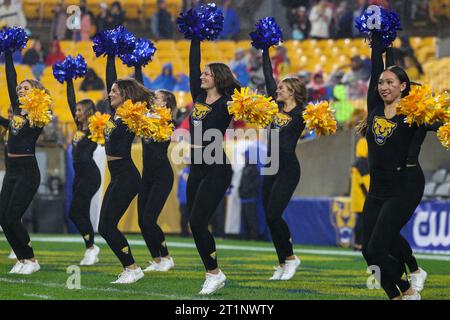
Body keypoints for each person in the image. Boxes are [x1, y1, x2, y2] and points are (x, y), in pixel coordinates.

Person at [360, 32, 424, 300]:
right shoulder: (374, 107)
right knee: (367, 250)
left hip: (405, 185)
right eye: (381, 82)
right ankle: (399, 294)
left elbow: (438, 123)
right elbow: (376, 68)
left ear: (403, 86)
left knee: (377, 248)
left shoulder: (413, 113)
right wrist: (378, 40)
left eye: (390, 82)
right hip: (377, 187)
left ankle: (409, 286)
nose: (383, 86)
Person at [187, 37, 240, 295]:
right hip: (195, 165)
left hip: (217, 166)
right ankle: (212, 272)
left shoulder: (227, 104)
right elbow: (192, 65)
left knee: (198, 222)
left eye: (207, 73)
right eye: (203, 72)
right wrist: (195, 38)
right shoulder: (198, 96)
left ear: (218, 78)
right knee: (193, 223)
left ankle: (214, 273)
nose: (202, 76)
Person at [97, 54, 149, 284]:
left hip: (127, 175)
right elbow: (112, 80)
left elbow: (138, 92)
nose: (110, 94)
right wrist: (110, 55)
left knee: (107, 226)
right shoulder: (114, 114)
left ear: (125, 95)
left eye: (115, 92)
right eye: (111, 91)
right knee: (103, 226)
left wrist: (136, 68)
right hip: (117, 174)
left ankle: (133, 269)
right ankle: (131, 268)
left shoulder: (130, 116)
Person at [0, 48, 50, 275]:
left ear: (36, 92)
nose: (19, 90)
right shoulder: (18, 111)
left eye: (25, 88)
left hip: (27, 171)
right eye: (19, 89)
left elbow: (16, 86)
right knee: (3, 217)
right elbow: (11, 80)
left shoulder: (39, 112)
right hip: (11, 171)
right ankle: (21, 258)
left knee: (12, 216)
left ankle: (31, 259)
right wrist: (8, 54)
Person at [262, 43, 305, 281]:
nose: (277, 90)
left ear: (292, 92)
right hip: (270, 165)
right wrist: (264, 49)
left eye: (281, 88)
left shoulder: (301, 114)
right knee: (268, 216)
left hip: (288, 168)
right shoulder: (274, 106)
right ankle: (281, 261)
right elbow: (269, 75)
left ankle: (290, 258)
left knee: (274, 214)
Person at [136, 86, 176, 273]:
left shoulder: (168, 121)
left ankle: (167, 257)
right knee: (142, 221)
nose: (152, 99)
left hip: (162, 176)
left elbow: (158, 125)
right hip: (148, 175)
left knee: (149, 219)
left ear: (166, 103)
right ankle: (157, 259)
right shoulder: (147, 117)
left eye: (157, 98)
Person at [64, 73, 102, 266]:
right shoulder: (79, 126)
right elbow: (70, 101)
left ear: (87, 111)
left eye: (79, 110)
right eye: (76, 110)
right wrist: (69, 80)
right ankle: (90, 247)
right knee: (78, 212)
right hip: (79, 176)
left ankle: (91, 248)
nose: (76, 113)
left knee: (75, 211)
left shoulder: (95, 128)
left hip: (90, 175)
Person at [350, 137, 369, 251]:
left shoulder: (356, 162)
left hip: (356, 196)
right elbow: (364, 182)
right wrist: (369, 195)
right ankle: (359, 243)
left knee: (360, 221)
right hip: (362, 197)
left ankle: (357, 243)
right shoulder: (363, 162)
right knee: (362, 221)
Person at [238, 152, 260, 240]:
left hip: (251, 198)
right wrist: (240, 191)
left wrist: (246, 191)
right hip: (244, 198)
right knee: (245, 218)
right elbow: (242, 182)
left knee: (251, 218)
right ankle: (246, 235)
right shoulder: (244, 168)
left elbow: (256, 183)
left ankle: (254, 236)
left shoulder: (254, 169)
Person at [177, 165, 190, 237]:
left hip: (191, 199)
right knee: (184, 217)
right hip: (184, 199)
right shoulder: (183, 172)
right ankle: (184, 232)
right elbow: (180, 185)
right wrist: (179, 195)